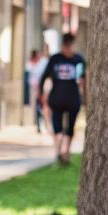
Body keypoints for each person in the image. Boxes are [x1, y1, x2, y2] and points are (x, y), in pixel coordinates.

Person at [38, 32, 85, 165]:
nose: (69, 49)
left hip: (73, 99)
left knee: (70, 128)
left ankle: (65, 152)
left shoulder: (78, 60)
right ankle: (58, 152)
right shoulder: (55, 59)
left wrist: (85, 98)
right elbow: (44, 77)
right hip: (56, 99)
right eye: (67, 46)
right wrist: (42, 95)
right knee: (57, 127)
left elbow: (83, 79)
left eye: (70, 46)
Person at [24, 48, 49, 134]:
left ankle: (45, 124)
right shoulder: (29, 65)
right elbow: (29, 79)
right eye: (37, 56)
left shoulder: (43, 62)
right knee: (37, 107)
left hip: (43, 87)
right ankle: (39, 125)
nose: (39, 57)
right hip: (34, 88)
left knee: (44, 106)